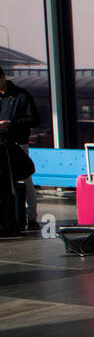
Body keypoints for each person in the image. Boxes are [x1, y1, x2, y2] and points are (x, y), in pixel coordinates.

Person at [0, 65, 40, 231]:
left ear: (2, 77)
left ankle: (31, 218)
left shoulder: (21, 96)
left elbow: (34, 119)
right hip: (1, 145)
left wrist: (11, 124)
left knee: (25, 179)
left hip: (17, 144)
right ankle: (9, 218)